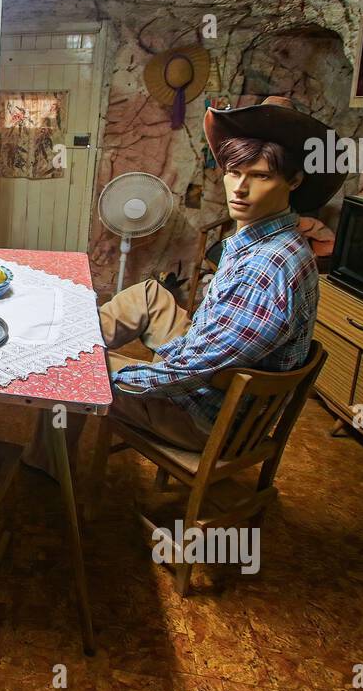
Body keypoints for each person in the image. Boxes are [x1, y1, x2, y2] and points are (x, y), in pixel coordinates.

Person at [27, 95, 345, 470]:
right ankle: (68, 342)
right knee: (150, 295)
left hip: (207, 414)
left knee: (71, 372)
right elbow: (214, 345)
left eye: (260, 176)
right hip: (213, 370)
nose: (239, 189)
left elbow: (193, 371)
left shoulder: (271, 268)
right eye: (233, 172)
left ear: (293, 180)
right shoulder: (266, 236)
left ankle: (43, 464)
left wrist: (97, 373)